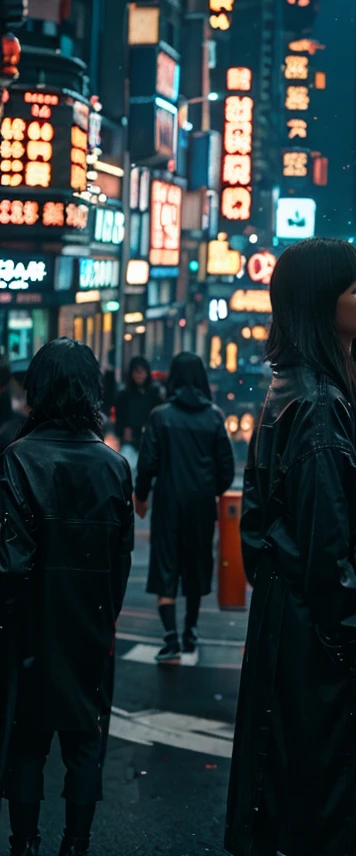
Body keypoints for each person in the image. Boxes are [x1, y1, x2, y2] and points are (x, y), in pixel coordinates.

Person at [225, 239, 356, 856]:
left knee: (299, 805)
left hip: (301, 640)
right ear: (318, 304)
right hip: (326, 655)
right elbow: (329, 544)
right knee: (329, 817)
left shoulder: (294, 393)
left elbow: (268, 536)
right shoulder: (323, 408)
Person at [0, 338, 133, 856]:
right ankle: (76, 845)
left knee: (27, 745)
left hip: (31, 630)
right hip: (92, 625)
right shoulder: (114, 467)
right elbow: (119, 562)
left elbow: (10, 565)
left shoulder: (17, 460)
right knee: (85, 744)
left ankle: (24, 844)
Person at [134, 352, 235, 663]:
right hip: (202, 506)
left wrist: (141, 496)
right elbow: (226, 469)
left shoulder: (160, 416)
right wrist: (209, 490)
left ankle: (170, 639)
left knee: (166, 567)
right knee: (196, 566)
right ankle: (191, 630)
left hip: (168, 502)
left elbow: (147, 463)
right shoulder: (214, 416)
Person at [114, 356, 163, 474]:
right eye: (136, 372)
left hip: (149, 441)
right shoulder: (124, 395)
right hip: (130, 441)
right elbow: (119, 418)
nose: (139, 375)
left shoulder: (155, 395)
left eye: (142, 372)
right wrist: (122, 432)